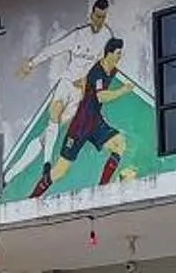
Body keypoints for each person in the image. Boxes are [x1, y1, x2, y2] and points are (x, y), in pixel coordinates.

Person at [29, 37, 133, 196]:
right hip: (81, 125)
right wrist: (123, 91)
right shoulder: (98, 71)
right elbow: (101, 97)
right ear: (109, 53)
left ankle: (102, 189)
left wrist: (82, 83)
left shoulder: (111, 70)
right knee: (60, 170)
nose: (120, 56)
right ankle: (32, 198)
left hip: (95, 122)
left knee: (119, 143)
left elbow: (85, 81)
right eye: (118, 53)